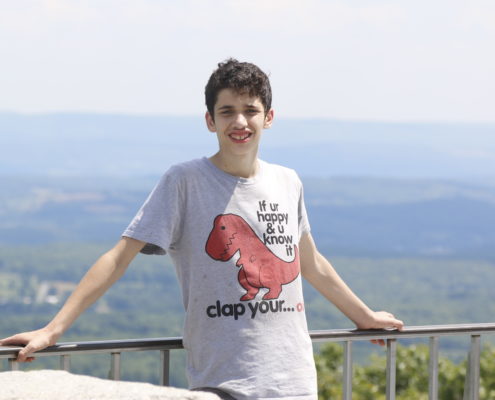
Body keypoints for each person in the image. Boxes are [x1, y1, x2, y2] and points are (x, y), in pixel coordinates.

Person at [0, 59, 403, 400]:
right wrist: (54, 328)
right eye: (227, 111)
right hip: (222, 383)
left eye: (250, 110)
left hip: (295, 382)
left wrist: (363, 315)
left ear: (269, 117)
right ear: (210, 120)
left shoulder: (288, 181)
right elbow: (118, 258)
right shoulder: (184, 181)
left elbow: (309, 263)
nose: (240, 121)